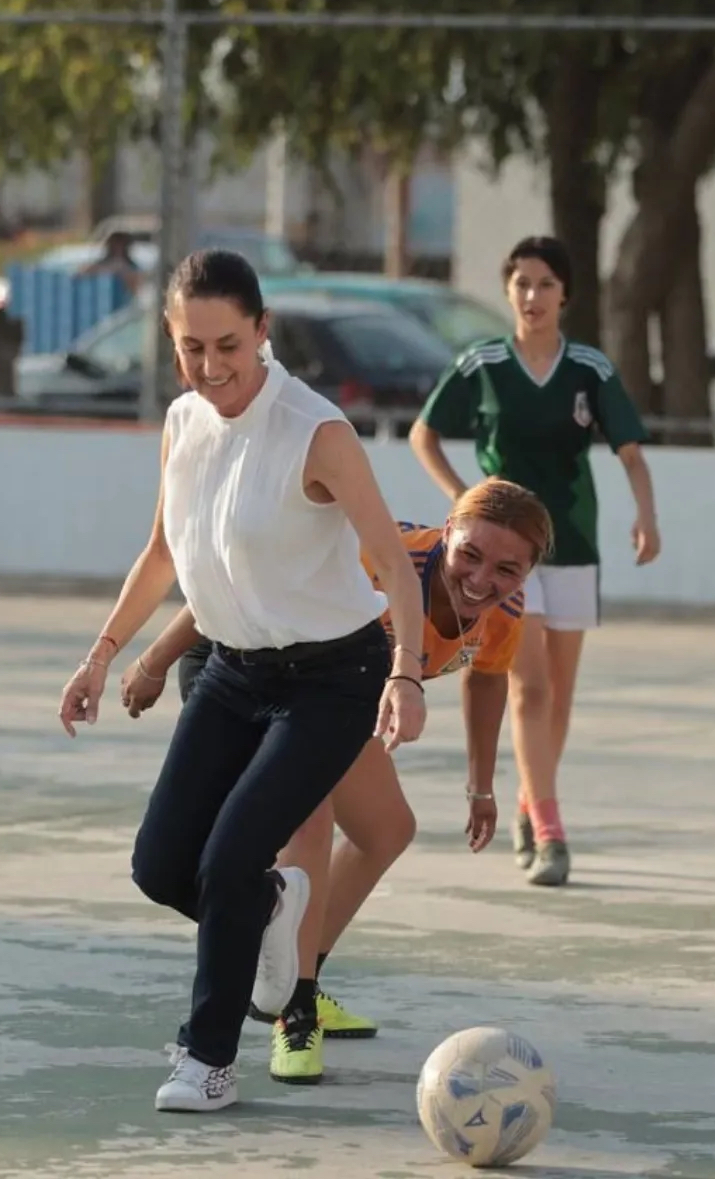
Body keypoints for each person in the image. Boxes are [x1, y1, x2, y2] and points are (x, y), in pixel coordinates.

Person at [57, 248, 427, 1113]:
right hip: (229, 669)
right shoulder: (183, 422)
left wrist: (406, 674)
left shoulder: (315, 430)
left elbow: (397, 570)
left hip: (333, 678)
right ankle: (270, 915)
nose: (211, 366)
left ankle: (206, 1059)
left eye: (228, 344)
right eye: (192, 347)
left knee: (228, 857)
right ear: (170, 341)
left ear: (262, 331)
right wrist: (104, 655)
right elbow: (162, 555)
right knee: (159, 865)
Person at [118, 477, 554, 1085]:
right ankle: (292, 1006)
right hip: (241, 667)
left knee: (387, 829)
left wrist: (481, 787)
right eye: (471, 556)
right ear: (448, 532)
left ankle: (298, 967)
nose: (483, 579)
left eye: (509, 568)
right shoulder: (379, 563)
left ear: (530, 571)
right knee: (308, 811)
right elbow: (245, 583)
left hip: (328, 699)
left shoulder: (505, 610)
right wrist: (151, 660)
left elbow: (485, 680)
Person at [408, 235, 660, 887]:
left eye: (545, 283)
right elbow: (423, 432)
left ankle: (528, 796)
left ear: (564, 294)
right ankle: (550, 827)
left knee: (560, 696)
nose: (531, 295)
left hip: (571, 540)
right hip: (504, 558)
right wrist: (462, 497)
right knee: (529, 683)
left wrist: (646, 514)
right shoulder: (483, 363)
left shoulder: (589, 370)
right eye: (520, 282)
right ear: (507, 290)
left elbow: (630, 450)